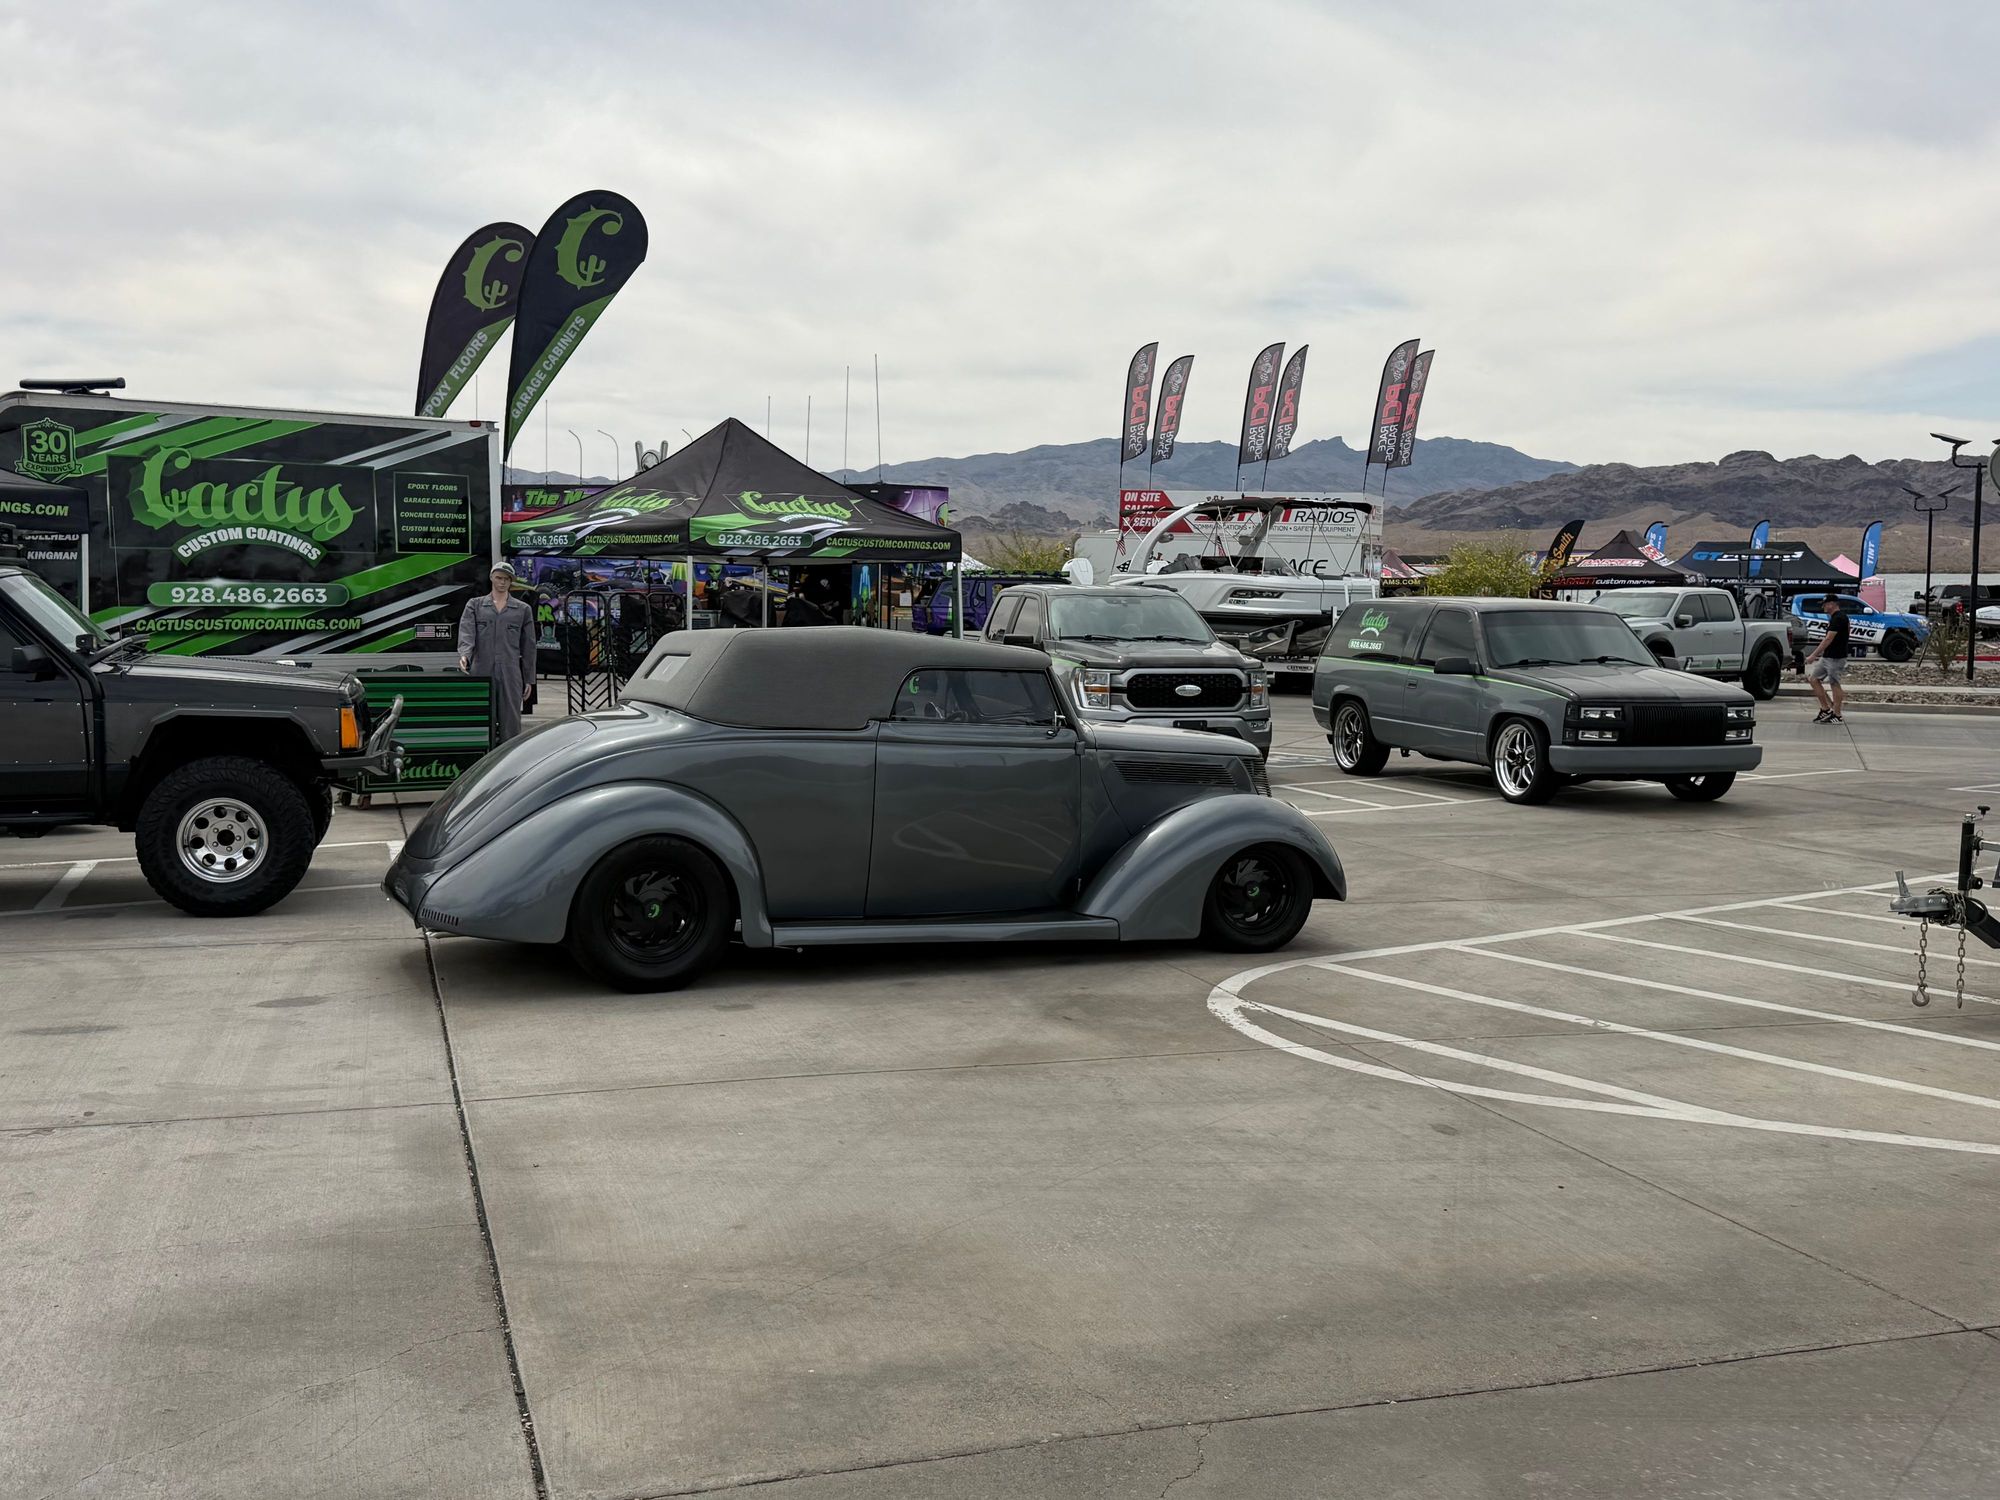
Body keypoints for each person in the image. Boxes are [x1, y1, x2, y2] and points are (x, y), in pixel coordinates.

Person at [458, 562, 538, 741]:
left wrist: (529, 679)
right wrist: (465, 654)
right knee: (481, 718)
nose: (502, 582)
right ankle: (483, 755)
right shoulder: (475, 605)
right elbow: (467, 632)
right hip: (482, 670)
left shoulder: (522, 610)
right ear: (491, 578)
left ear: (511, 581)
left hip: (510, 672)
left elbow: (529, 646)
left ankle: (509, 755)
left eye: (507, 579)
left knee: (510, 721)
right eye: (499, 578)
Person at [1805, 593, 1850, 724]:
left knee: (1834, 683)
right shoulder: (1836, 618)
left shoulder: (1839, 618)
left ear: (1832, 604)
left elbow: (1828, 639)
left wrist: (1814, 655)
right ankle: (1825, 709)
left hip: (1836, 657)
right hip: (1827, 656)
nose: (1823, 607)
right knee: (1814, 679)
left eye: (1825, 604)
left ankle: (1837, 714)